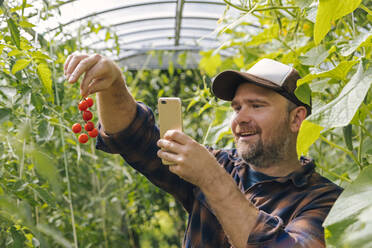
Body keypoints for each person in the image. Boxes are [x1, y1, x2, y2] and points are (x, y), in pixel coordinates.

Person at [64, 53, 342, 248]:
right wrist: (113, 83)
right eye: (236, 107)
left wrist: (210, 179)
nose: (240, 118)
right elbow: (134, 138)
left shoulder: (328, 202)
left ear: (296, 118)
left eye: (257, 106)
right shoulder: (220, 163)